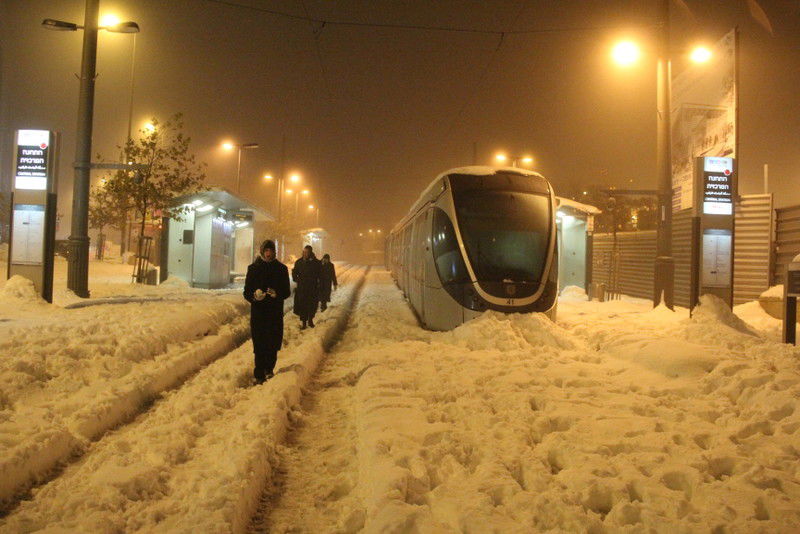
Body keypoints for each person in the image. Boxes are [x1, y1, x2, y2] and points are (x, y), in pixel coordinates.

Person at [243, 240, 290, 384]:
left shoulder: (281, 269)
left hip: (274, 313)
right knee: (259, 343)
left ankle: (269, 369)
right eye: (266, 251)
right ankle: (259, 373)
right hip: (259, 313)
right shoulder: (253, 268)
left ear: (274, 252)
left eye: (271, 251)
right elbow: (246, 291)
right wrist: (254, 296)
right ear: (262, 252)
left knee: (272, 343)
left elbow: (287, 291)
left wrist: (277, 293)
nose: (269, 253)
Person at [292, 245, 322, 329]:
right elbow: (294, 272)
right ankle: (304, 322)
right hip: (302, 288)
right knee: (302, 305)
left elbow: (320, 274)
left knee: (312, 305)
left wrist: (319, 284)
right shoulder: (299, 262)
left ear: (310, 252)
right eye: (304, 252)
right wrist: (296, 279)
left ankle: (310, 320)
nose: (305, 254)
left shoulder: (316, 263)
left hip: (313, 288)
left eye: (307, 252)